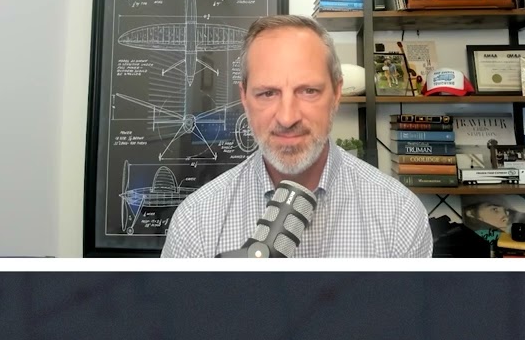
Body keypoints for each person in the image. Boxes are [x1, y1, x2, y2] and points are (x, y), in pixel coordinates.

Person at [161, 15, 432, 257]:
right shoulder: (195, 222)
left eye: (308, 91)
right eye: (268, 93)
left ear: (337, 93)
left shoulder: (399, 215)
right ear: (244, 98)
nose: (287, 118)